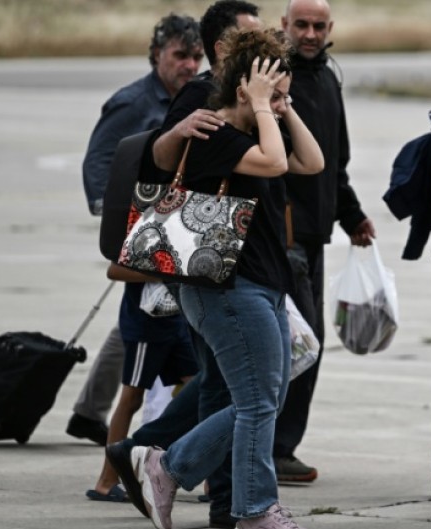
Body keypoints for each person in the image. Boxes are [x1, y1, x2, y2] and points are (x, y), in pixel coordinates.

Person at [131, 27, 323, 529]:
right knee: (258, 402)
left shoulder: (262, 125)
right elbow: (276, 161)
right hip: (224, 288)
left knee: (265, 400)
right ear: (243, 89)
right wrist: (262, 102)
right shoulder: (214, 133)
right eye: (272, 92)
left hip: (262, 284)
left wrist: (281, 103)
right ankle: (255, 510)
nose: (280, 103)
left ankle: (168, 465)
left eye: (284, 94)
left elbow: (311, 161)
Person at [105, 3, 263, 528]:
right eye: (251, 40)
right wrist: (183, 130)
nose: (264, 49)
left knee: (235, 386)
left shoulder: (257, 95)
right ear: (225, 48)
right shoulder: (203, 93)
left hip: (250, 261)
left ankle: (152, 455)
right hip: (217, 263)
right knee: (235, 388)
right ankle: (203, 487)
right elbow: (161, 160)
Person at [68, 13, 203, 446]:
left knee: (136, 323)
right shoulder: (133, 102)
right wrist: (116, 220)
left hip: (168, 228)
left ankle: (90, 411)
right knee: (141, 322)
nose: (189, 65)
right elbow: (99, 160)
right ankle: (113, 435)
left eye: (196, 56)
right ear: (157, 54)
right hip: (138, 228)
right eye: (180, 55)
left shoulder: (191, 100)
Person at [275, 0, 375, 483]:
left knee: (303, 347)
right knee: (298, 346)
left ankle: (278, 448)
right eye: (301, 25)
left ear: (330, 28)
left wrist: (351, 213)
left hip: (315, 238)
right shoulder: (273, 79)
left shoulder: (327, 79)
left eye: (318, 26)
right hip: (280, 238)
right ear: (284, 26)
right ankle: (268, 448)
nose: (310, 34)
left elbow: (336, 163)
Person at [87, 269, 199, 502]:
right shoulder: (135, 232)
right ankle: (106, 481)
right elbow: (115, 269)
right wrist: (168, 273)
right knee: (131, 398)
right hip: (146, 323)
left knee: (200, 391)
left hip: (177, 318)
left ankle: (215, 485)